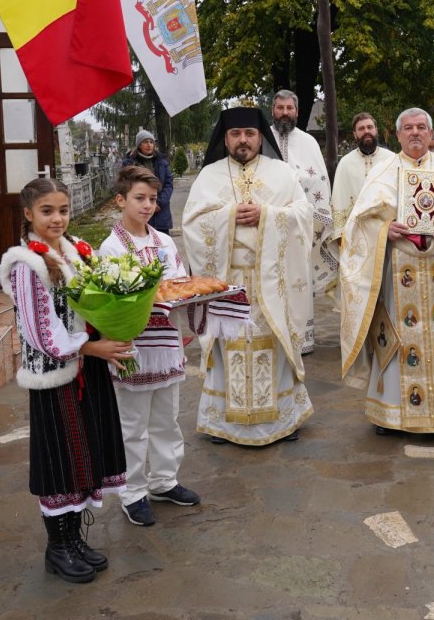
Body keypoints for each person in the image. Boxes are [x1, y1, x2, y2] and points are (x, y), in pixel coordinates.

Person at [0, 178, 131, 584]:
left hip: (87, 367)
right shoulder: (27, 264)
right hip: (56, 375)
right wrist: (92, 347)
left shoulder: (76, 251)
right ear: (28, 214)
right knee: (60, 460)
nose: (57, 218)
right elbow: (40, 331)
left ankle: (74, 538)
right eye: (47, 211)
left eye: (63, 210)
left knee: (84, 452)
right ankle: (57, 547)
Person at [339, 108, 434, 437]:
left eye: (421, 127)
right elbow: (358, 224)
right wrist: (384, 230)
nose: (415, 133)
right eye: (408, 128)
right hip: (398, 271)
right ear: (398, 135)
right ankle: (391, 414)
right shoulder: (382, 172)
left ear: (431, 134)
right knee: (397, 338)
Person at [182, 107, 315, 445]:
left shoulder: (282, 173)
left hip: (271, 280)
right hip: (228, 283)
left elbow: (304, 214)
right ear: (225, 139)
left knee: (274, 342)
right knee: (228, 344)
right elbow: (192, 223)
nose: (243, 140)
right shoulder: (209, 175)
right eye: (236, 134)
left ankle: (282, 419)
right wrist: (228, 216)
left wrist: (266, 215)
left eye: (250, 134)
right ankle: (225, 423)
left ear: (260, 137)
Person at [99, 166, 201, 528]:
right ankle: (133, 492)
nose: (147, 206)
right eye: (139, 198)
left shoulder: (164, 242)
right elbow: (111, 298)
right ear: (120, 200)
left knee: (166, 419)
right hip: (134, 347)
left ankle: (164, 481)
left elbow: (180, 284)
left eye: (152, 199)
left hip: (166, 342)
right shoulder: (111, 247)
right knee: (132, 425)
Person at [270, 90, 338, 312]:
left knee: (299, 277)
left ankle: (302, 329)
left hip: (301, 224)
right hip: (269, 224)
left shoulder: (309, 142)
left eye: (289, 108)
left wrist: (295, 179)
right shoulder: (262, 139)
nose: (285, 113)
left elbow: (319, 180)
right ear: (272, 110)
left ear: (297, 112)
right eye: (280, 108)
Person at [331, 112, 394, 243]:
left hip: (388, 231)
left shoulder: (391, 159)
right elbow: (339, 197)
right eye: (361, 128)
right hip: (356, 233)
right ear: (355, 134)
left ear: (376, 130)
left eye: (370, 127)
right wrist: (340, 233)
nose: (366, 131)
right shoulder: (345, 163)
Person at [122, 129, 175, 234]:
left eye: (151, 142)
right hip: (140, 211)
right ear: (139, 145)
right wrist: (144, 202)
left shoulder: (162, 162)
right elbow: (126, 185)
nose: (149, 145)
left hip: (161, 213)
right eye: (145, 142)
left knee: (162, 242)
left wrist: (158, 203)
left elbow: (168, 184)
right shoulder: (129, 164)